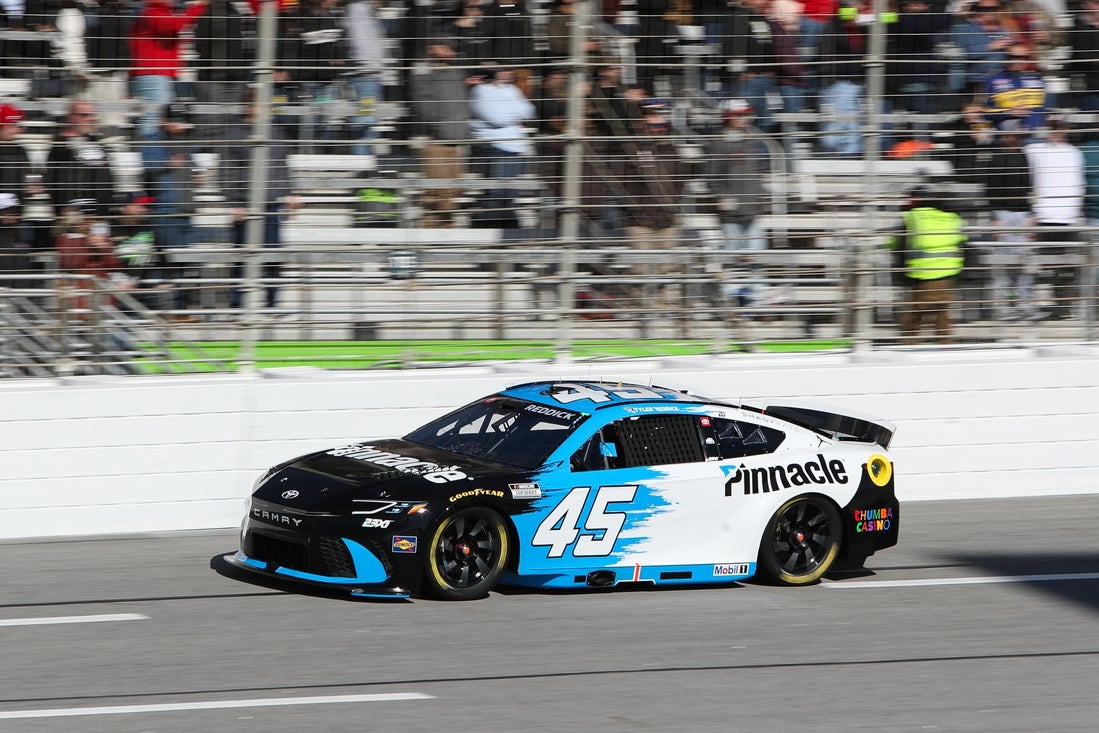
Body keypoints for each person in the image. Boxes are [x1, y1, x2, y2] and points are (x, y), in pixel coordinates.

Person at [706, 98, 771, 311]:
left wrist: (761, 195)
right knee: (731, 260)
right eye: (739, 115)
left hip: (752, 210)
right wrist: (724, 198)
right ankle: (731, 303)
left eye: (746, 114)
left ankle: (757, 303)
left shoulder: (753, 142)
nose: (744, 118)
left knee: (757, 259)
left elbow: (760, 171)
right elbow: (712, 179)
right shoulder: (718, 143)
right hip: (730, 215)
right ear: (728, 118)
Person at [138, 103, 199, 319]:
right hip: (165, 210)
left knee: (181, 261)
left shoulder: (184, 142)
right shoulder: (152, 140)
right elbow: (149, 165)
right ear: (164, 120)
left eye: (183, 119)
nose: (180, 124)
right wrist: (169, 161)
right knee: (167, 260)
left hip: (186, 210)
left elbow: (193, 166)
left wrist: (198, 173)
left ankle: (179, 310)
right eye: (176, 119)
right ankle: (163, 309)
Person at [886, 186, 968, 344]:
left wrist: (900, 271)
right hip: (949, 273)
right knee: (941, 311)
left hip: (924, 273)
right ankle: (944, 344)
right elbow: (963, 242)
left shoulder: (912, 217)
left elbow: (897, 244)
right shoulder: (951, 217)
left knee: (916, 313)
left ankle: (910, 344)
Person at [410, 41, 475, 227]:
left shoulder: (457, 71)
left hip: (457, 140)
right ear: (431, 48)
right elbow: (422, 104)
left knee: (452, 191)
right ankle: (430, 231)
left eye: (452, 48)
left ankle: (447, 230)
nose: (450, 51)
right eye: (445, 47)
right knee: (434, 191)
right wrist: (439, 125)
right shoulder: (423, 70)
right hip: (436, 142)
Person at [1025, 116, 1084, 320]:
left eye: (1060, 128)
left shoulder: (1074, 153)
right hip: (1045, 217)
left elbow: (1078, 184)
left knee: (1067, 266)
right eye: (1053, 127)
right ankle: (1051, 305)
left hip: (1068, 218)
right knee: (1047, 265)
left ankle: (1063, 307)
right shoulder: (1035, 150)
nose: (1057, 132)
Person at [983, 121, 1043, 320]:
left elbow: (1032, 187)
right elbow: (990, 190)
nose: (1016, 138)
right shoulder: (996, 158)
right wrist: (994, 218)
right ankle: (1002, 308)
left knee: (1026, 264)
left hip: (1024, 215)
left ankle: (1025, 305)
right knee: (1003, 265)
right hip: (1003, 215)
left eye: (1018, 134)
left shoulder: (1027, 156)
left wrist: (1032, 215)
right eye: (1012, 134)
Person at [128, 0, 209, 139]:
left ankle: (153, 149)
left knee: (158, 119)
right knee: (152, 119)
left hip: (160, 73)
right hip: (153, 74)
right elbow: (176, 25)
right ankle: (149, 150)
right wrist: (198, 6)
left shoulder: (160, 12)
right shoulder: (152, 12)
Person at [469, 66, 535, 227]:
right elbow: (496, 118)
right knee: (495, 192)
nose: (508, 73)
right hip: (495, 146)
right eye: (504, 70)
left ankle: (508, 229)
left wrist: (508, 113)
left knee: (511, 192)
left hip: (515, 147)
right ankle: (490, 227)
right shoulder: (481, 91)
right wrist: (514, 113)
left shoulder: (512, 89)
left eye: (509, 70)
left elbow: (529, 112)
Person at [44, 100, 117, 221]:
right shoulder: (60, 145)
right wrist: (66, 210)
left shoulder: (96, 141)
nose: (90, 119)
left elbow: (108, 176)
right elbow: (53, 180)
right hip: (76, 217)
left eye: (92, 115)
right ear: (70, 117)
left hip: (100, 215)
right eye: (84, 115)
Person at [342, 0, 388, 156]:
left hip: (370, 74)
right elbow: (359, 40)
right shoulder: (358, 10)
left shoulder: (366, 11)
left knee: (368, 119)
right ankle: (362, 160)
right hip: (366, 76)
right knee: (365, 119)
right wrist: (368, 66)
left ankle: (364, 158)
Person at [981, 42, 1046, 130]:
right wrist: (1009, 112)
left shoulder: (1037, 79)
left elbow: (1045, 109)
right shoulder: (992, 80)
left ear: (1026, 59)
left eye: (1020, 57)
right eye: (1011, 57)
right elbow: (985, 113)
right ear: (1005, 58)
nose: (1015, 61)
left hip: (1036, 129)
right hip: (1009, 129)